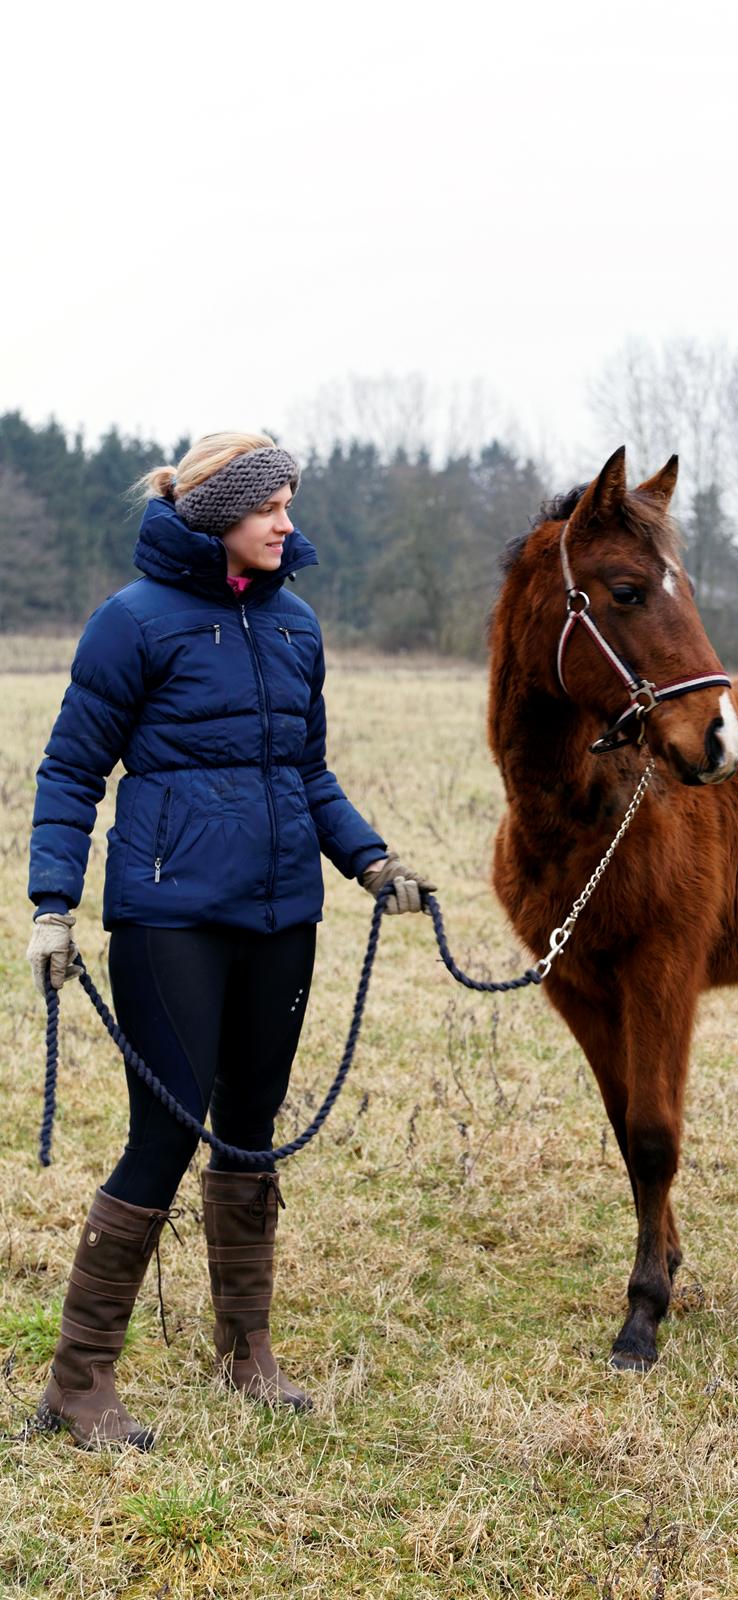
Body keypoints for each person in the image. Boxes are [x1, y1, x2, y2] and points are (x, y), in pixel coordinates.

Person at [26, 431, 434, 1452]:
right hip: (170, 918)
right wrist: (50, 904)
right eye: (271, 506)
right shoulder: (131, 623)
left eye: (291, 502)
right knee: (165, 1136)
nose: (288, 522)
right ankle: (78, 1382)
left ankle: (244, 1351)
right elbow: (70, 770)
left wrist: (371, 862)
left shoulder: (295, 625)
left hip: (282, 914)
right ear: (217, 516)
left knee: (248, 1129)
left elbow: (308, 770)